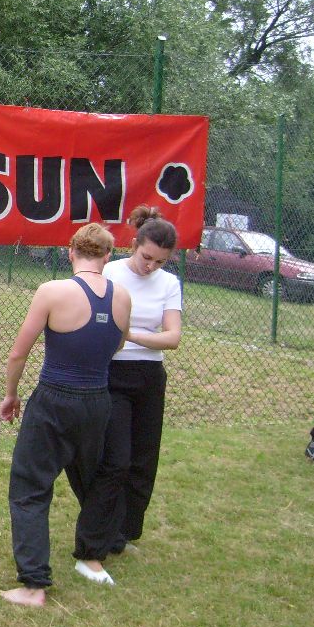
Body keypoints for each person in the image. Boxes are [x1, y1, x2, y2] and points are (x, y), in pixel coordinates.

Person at [0, 223, 131, 607]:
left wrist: (11, 395)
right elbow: (117, 344)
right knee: (93, 478)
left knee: (30, 487)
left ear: (71, 251)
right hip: (98, 401)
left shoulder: (52, 291)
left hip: (55, 399)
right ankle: (93, 556)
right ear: (108, 256)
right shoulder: (122, 296)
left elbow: (18, 353)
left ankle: (33, 586)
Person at [72, 205, 182, 582]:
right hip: (112, 373)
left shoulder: (169, 284)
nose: (151, 266)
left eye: (160, 261)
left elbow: (173, 337)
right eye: (146, 256)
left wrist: (128, 333)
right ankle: (94, 541)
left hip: (149, 375)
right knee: (115, 460)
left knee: (143, 459)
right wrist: (125, 338)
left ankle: (123, 532)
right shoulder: (111, 273)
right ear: (133, 244)